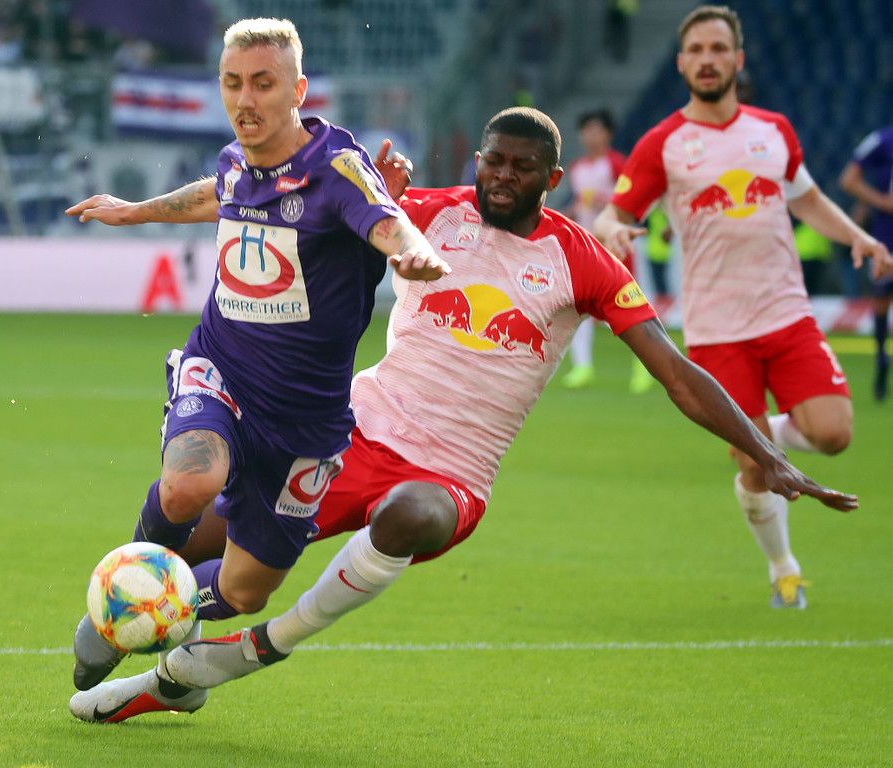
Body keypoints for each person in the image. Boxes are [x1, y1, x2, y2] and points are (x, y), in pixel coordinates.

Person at [69, 106, 858, 723]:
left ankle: (245, 653)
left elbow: (675, 372)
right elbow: (277, 197)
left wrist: (767, 453)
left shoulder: (581, 259)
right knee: (202, 558)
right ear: (477, 159)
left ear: (551, 178)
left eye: (522, 167)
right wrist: (140, 211)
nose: (503, 176)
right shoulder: (425, 212)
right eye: (493, 160)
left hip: (451, 473)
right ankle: (156, 657)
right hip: (348, 432)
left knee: (407, 516)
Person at [63, 17, 449, 707]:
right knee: (189, 485)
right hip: (222, 368)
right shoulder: (235, 161)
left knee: (244, 590)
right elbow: (216, 193)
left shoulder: (337, 167)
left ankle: (166, 612)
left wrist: (410, 251)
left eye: (263, 84)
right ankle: (121, 598)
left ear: (297, 90)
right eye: (232, 83)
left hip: (304, 423)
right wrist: (134, 212)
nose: (245, 99)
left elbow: (387, 219)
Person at [592, 5, 892, 610]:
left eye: (718, 49)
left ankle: (754, 434)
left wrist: (856, 236)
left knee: (834, 433)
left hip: (787, 313)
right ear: (682, 64)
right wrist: (616, 230)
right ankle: (784, 568)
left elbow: (807, 199)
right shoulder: (663, 144)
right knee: (757, 468)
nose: (708, 60)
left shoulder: (773, 130)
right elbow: (611, 216)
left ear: (738, 59)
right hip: (717, 328)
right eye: (697, 51)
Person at [561, 109, 653, 393]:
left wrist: (602, 202)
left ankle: (644, 367)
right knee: (577, 305)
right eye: (586, 130)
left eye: (597, 129)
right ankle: (582, 367)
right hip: (587, 245)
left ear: (608, 134)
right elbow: (580, 203)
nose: (591, 135)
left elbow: (628, 199)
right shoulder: (576, 168)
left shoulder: (616, 164)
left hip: (616, 243)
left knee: (627, 306)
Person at [839, 125, 893, 401]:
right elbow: (848, 179)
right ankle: (881, 359)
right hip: (887, 238)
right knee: (882, 300)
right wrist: (882, 202)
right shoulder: (882, 140)